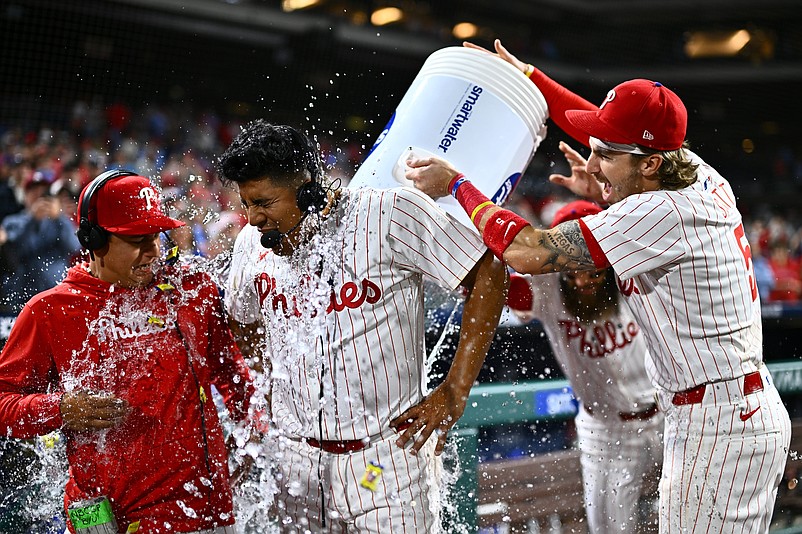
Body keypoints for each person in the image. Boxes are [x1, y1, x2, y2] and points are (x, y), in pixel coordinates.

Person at [406, 39, 792, 533]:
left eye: (607, 155)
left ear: (649, 164)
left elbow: (525, 250)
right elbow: (601, 124)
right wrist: (532, 78)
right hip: (720, 411)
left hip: (716, 423)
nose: (591, 165)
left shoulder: (658, 212)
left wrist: (459, 185)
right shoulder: (695, 171)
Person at [219, 120, 506, 532]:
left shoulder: (388, 212)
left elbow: (488, 269)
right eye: (247, 204)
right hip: (296, 462)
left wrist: (456, 389)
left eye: (264, 202)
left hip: (386, 459)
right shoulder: (250, 242)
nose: (254, 218)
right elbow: (241, 320)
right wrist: (265, 381)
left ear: (307, 188)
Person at [0, 169, 255, 533]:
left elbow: (230, 372)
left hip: (202, 511)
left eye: (157, 236)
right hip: (102, 519)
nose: (154, 252)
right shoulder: (51, 311)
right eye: (138, 240)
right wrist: (60, 409)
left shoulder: (191, 291)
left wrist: (250, 434)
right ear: (94, 239)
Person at [506, 200, 662, 534]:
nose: (582, 280)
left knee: (689, 514)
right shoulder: (546, 290)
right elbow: (492, 288)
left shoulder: (630, 270)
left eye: (592, 269)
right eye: (572, 271)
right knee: (610, 529)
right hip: (607, 429)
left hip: (666, 415)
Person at [0, 170, 82, 311]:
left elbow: (74, 247)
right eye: (33, 191)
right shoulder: (12, 221)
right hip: (23, 294)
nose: (39, 196)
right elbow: (14, 253)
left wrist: (59, 218)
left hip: (56, 290)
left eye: (43, 192)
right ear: (25, 195)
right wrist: (32, 220)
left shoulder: (61, 221)